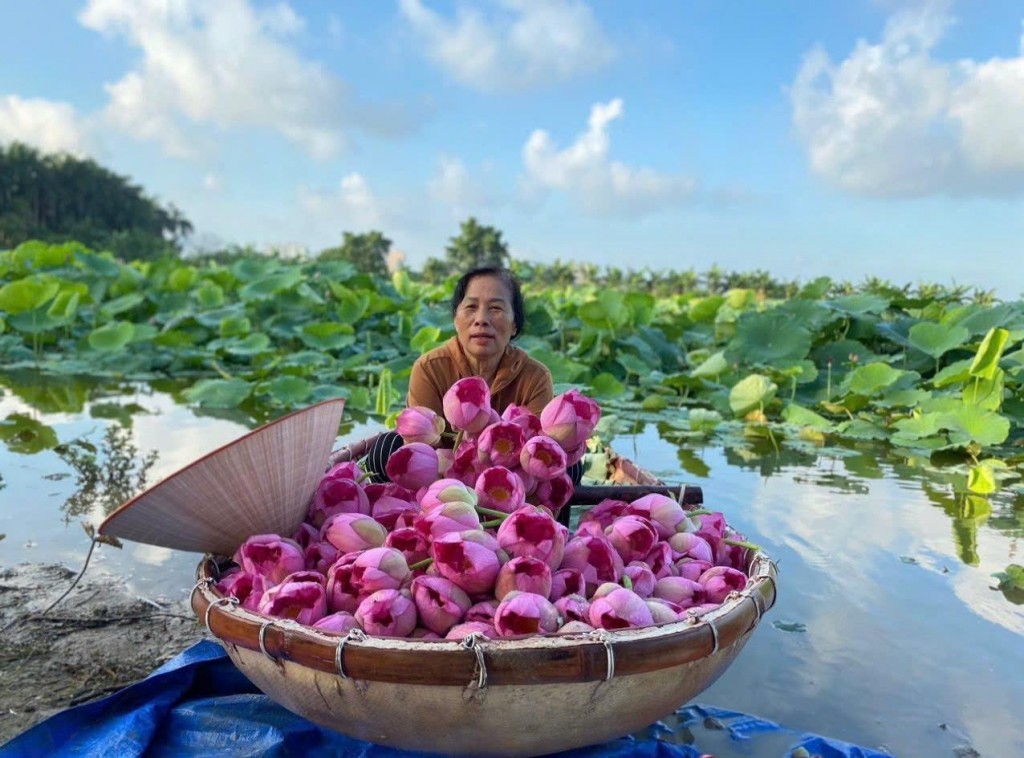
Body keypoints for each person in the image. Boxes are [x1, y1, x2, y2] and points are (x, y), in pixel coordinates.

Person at [366, 267, 582, 487]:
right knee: (386, 447)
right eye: (471, 307)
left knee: (569, 465)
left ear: (515, 324)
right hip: (442, 484)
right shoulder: (429, 368)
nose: (481, 319)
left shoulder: (535, 377)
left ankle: (546, 520)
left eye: (496, 308)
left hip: (512, 485)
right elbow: (422, 447)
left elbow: (536, 451)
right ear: (455, 319)